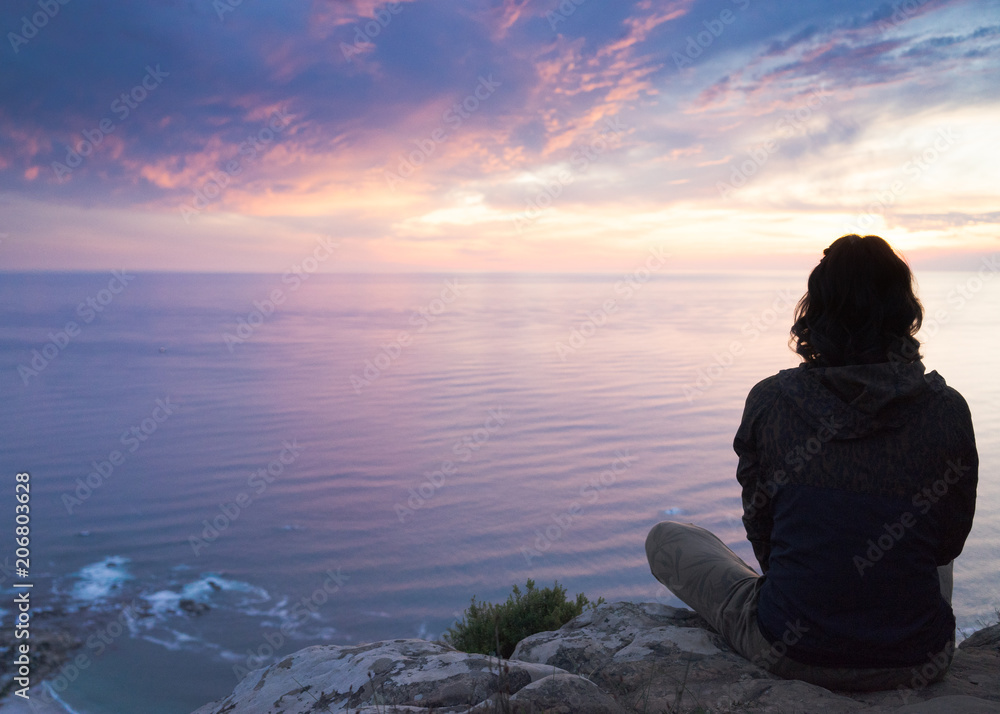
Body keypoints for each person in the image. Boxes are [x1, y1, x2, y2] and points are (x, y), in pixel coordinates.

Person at [645, 234, 978, 691]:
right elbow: (947, 543)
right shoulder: (947, 411)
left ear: (815, 311)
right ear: (904, 312)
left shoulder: (771, 402)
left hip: (791, 650)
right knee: (923, 532)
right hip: (916, 657)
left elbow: (763, 536)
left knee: (668, 538)